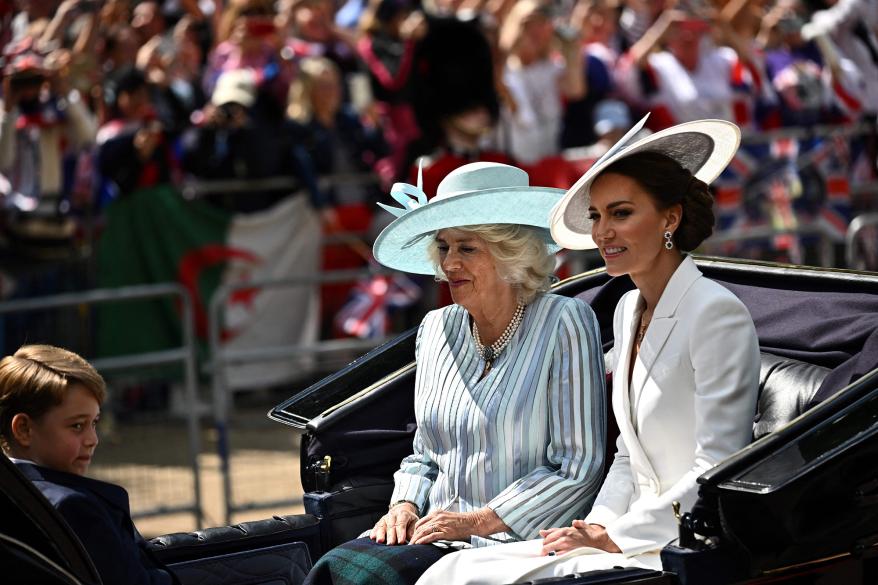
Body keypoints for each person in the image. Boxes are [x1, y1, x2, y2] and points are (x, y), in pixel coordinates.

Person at [415, 117, 761, 584]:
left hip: (679, 544)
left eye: (620, 214)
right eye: (597, 216)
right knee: (452, 570)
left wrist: (615, 537)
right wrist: (595, 525)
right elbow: (627, 455)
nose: (602, 233)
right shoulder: (627, 310)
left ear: (670, 219)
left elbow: (715, 467)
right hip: (621, 532)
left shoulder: (716, 312)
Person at [303, 161, 608, 585]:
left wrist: (478, 521)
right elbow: (424, 454)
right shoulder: (436, 328)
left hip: (521, 548)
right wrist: (403, 506)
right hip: (432, 537)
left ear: (511, 253)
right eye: (443, 247)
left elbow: (578, 465)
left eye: (467, 248)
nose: (449, 264)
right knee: (336, 571)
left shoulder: (564, 321)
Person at [0, 344, 177, 585]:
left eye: (94, 423)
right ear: (24, 429)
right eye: (77, 426)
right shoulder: (72, 507)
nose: (93, 440)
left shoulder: (12, 492)